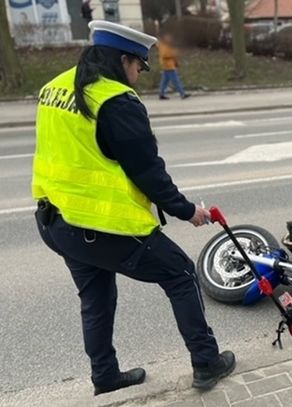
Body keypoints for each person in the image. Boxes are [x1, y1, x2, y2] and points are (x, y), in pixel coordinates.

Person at [32, 20, 235, 396]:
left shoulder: (54, 88)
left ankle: (105, 376)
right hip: (100, 226)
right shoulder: (116, 100)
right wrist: (187, 210)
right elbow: (147, 171)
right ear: (124, 60)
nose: (140, 76)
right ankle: (206, 362)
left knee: (96, 298)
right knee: (180, 274)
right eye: (140, 67)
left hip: (55, 221)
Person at [157, 33, 190, 100]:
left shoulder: (167, 45)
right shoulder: (164, 45)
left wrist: (176, 62)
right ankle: (182, 94)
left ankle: (161, 94)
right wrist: (173, 53)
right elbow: (164, 55)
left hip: (169, 65)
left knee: (164, 81)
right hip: (168, 65)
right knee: (175, 81)